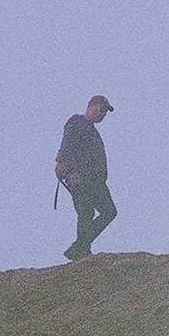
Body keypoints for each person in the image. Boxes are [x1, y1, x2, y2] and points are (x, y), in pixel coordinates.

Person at [56, 95, 117, 261]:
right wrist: (72, 173)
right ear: (91, 106)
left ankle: (80, 248)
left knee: (101, 212)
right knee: (89, 213)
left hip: (94, 180)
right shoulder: (77, 122)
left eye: (104, 112)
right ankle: (81, 250)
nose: (103, 114)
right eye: (100, 109)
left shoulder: (90, 129)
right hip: (81, 178)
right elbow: (66, 147)